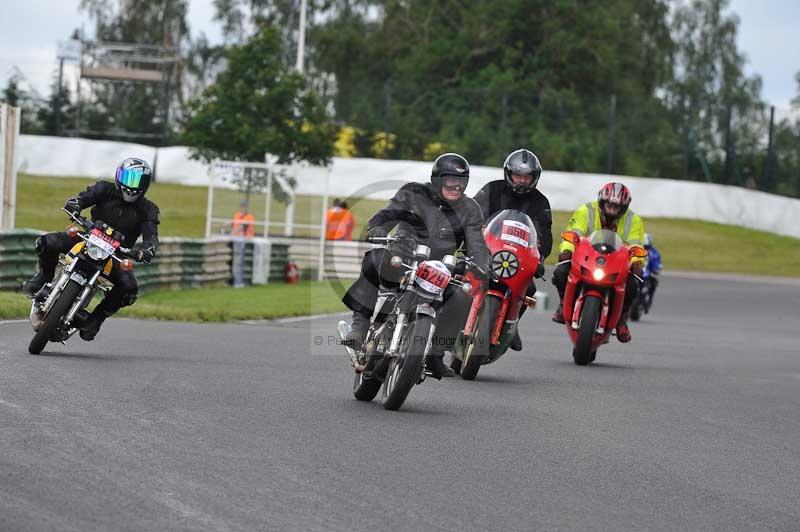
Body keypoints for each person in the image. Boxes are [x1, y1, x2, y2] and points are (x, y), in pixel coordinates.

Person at [341, 153, 492, 379]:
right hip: (403, 257)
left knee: (462, 295)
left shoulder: (470, 209)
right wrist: (378, 228)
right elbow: (387, 215)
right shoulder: (413, 193)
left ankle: (435, 354)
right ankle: (360, 327)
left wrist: (482, 264)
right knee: (374, 259)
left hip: (440, 270)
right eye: (451, 180)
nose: (457, 186)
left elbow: (477, 244)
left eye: (462, 181)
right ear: (438, 179)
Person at [25, 157, 160, 341]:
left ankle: (95, 319)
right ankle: (44, 278)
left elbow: (151, 234)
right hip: (87, 238)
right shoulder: (104, 189)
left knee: (129, 288)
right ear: (119, 176)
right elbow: (84, 197)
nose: (131, 185)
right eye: (128, 178)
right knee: (47, 242)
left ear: (146, 185)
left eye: (138, 181)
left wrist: (148, 249)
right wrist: (75, 204)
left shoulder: (148, 209)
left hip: (115, 254)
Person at [473, 148, 553, 351]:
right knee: (458, 275)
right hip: (488, 249)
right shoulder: (492, 189)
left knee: (531, 289)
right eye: (518, 175)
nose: (522, 181)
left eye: (527, 177)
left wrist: (540, 257)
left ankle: (511, 322)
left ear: (534, 178)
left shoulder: (540, 202)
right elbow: (472, 214)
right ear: (508, 174)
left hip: (516, 258)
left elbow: (545, 235)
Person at [551, 182, 645, 342]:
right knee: (561, 272)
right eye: (609, 205)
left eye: (617, 207)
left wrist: (637, 262)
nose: (612, 209)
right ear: (602, 201)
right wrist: (566, 250)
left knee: (633, 284)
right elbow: (573, 233)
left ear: (624, 207)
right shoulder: (585, 211)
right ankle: (562, 305)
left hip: (615, 263)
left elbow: (636, 244)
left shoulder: (633, 220)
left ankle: (621, 320)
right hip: (586, 259)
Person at [231, 200, 255, 288]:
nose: (244, 208)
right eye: (242, 206)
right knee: (237, 261)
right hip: (236, 240)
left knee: (239, 262)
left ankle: (238, 282)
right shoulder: (237, 215)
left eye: (245, 206)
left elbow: (242, 227)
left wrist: (231, 234)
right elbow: (233, 225)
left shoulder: (249, 217)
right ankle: (236, 282)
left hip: (243, 240)